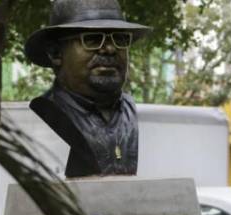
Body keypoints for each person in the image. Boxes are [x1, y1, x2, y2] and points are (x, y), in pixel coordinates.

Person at [25, 0, 150, 177]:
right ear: (55, 52)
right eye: (93, 39)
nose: (109, 48)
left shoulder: (129, 111)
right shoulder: (49, 110)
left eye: (120, 39)